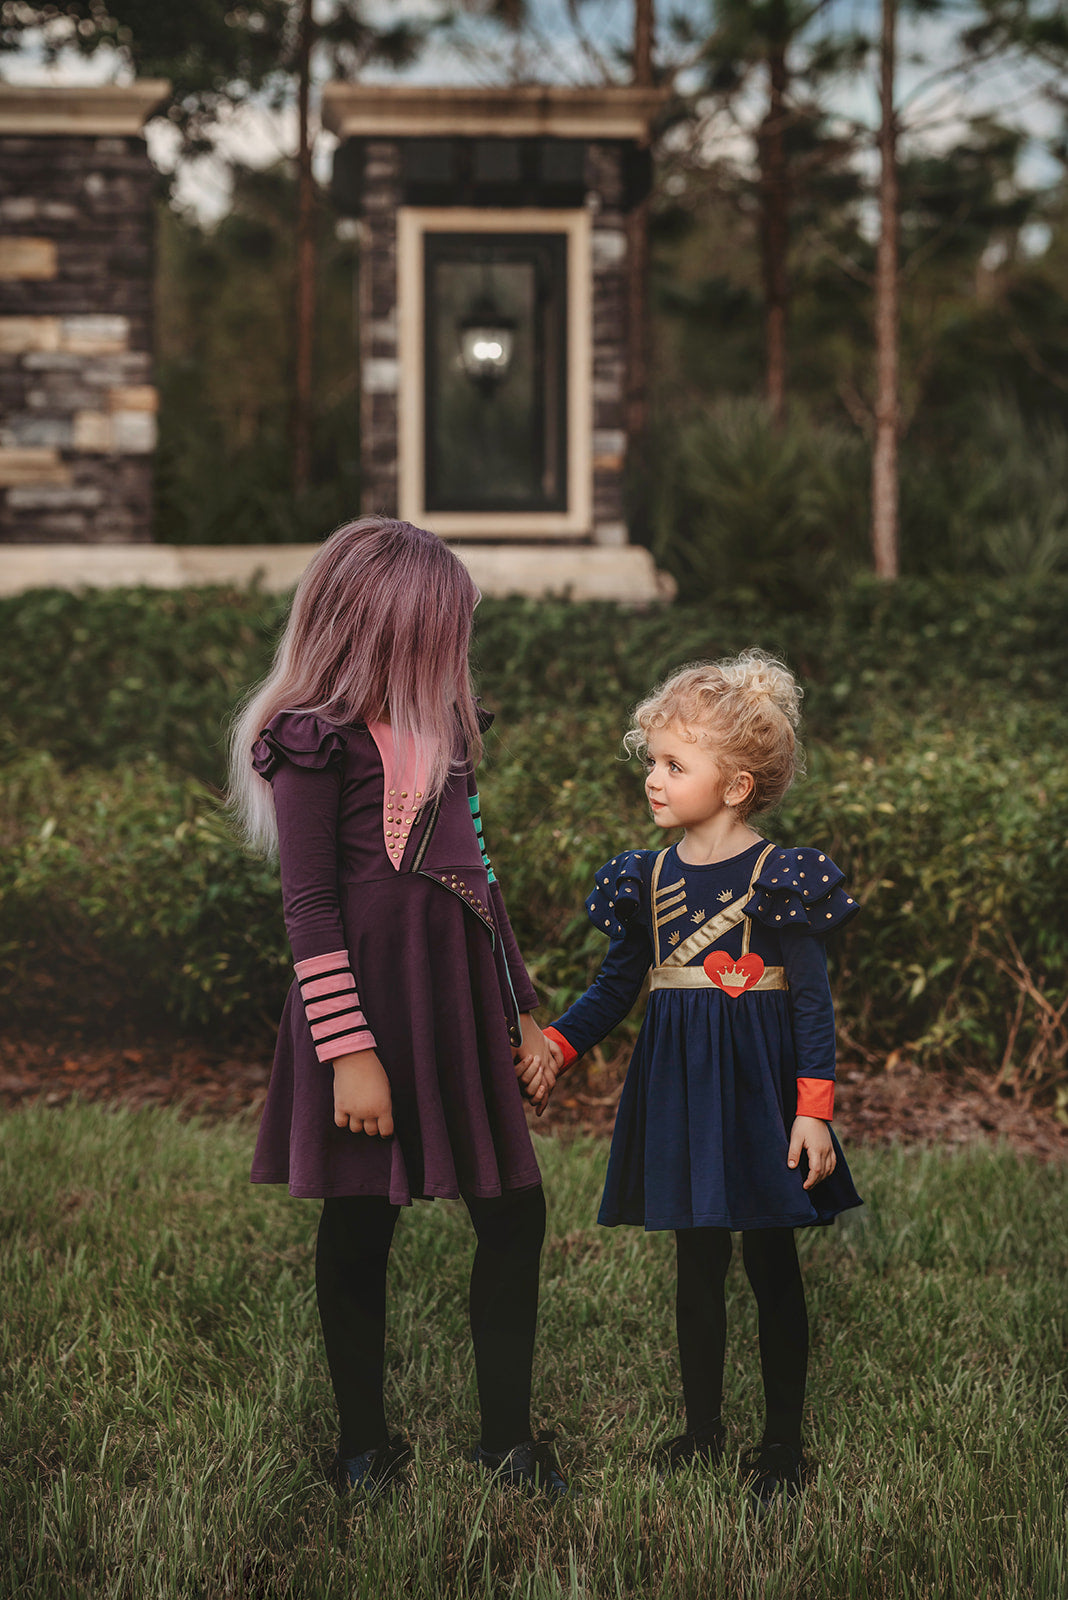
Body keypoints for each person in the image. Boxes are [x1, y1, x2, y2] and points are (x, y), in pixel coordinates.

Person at [228, 516, 564, 1499]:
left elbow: (479, 878)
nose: (457, 650)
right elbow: (310, 903)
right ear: (386, 626)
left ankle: (506, 1436)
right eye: (444, 630)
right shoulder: (310, 741)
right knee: (359, 1220)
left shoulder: (449, 734)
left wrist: (524, 1009)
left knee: (516, 1213)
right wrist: (349, 1050)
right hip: (365, 1006)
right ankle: (364, 1446)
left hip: (457, 999)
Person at [540, 650, 862, 1505]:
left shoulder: (779, 879)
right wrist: (556, 1048)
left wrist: (813, 1113)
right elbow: (615, 988)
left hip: (760, 1095)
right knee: (694, 1263)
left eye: (674, 764)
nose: (653, 777)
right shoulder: (644, 879)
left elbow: (812, 1010)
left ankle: (783, 1444)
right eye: (652, 759)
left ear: (735, 786)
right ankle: (702, 1427)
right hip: (681, 1089)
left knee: (769, 1263)